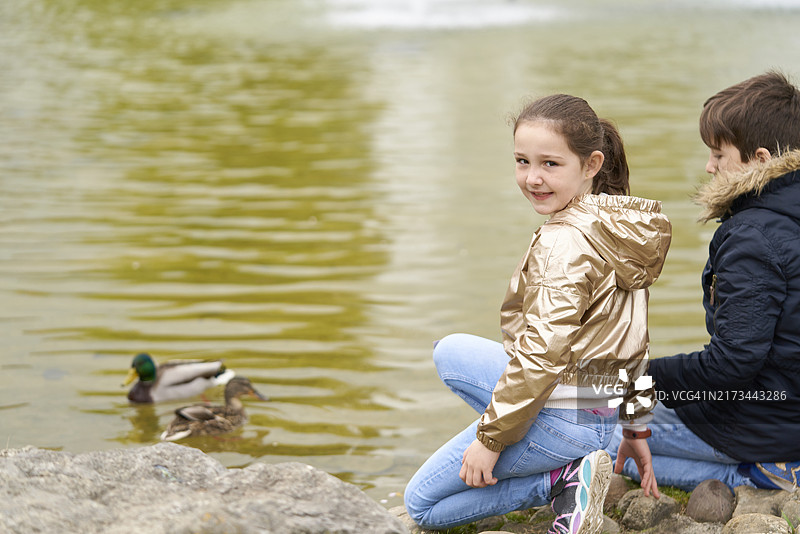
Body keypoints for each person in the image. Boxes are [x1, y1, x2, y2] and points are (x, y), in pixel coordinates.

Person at [403, 94, 672, 533]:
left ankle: (557, 480)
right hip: (599, 414)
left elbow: (542, 354)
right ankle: (561, 453)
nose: (532, 178)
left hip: (570, 422)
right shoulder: (616, 227)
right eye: (522, 161)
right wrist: (634, 429)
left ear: (591, 165)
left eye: (550, 164)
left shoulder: (563, 242)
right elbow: (636, 340)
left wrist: (490, 441)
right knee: (449, 351)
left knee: (421, 506)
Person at [610, 70, 800, 493]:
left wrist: (640, 377)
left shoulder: (754, 235)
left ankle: (763, 471)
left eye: (718, 154)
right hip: (783, 411)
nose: (708, 166)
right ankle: (762, 472)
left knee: (582, 422)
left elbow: (732, 365)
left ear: (762, 159)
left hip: (763, 419)